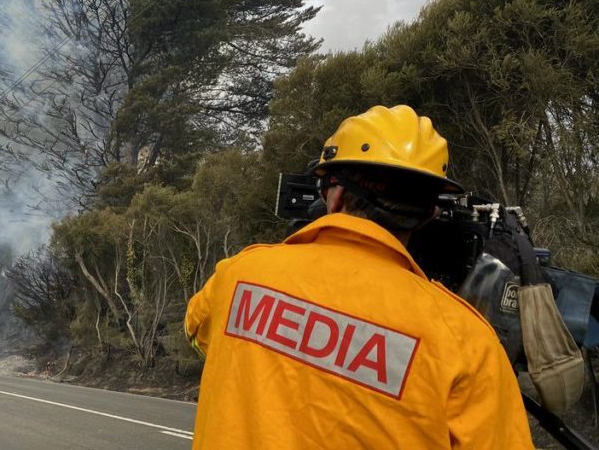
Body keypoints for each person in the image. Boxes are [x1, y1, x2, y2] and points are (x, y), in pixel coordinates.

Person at [185, 105, 533, 449]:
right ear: (428, 213)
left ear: (334, 195)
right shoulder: (467, 342)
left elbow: (202, 334)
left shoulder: (239, 277)